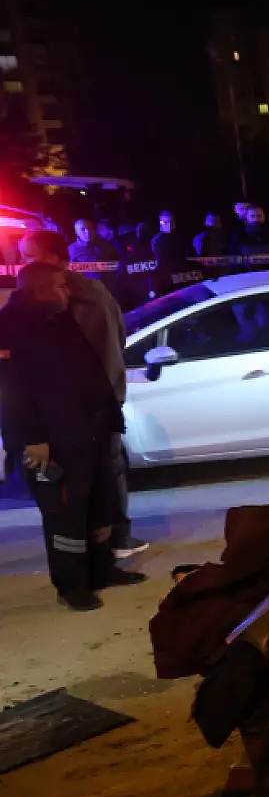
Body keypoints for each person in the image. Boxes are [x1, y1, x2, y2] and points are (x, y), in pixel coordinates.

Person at [0, 263, 147, 610]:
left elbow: (86, 370)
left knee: (101, 504)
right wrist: (34, 438)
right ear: (38, 290)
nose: (67, 293)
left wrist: (109, 415)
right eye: (59, 287)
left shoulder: (58, 317)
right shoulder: (9, 328)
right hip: (50, 440)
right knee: (65, 514)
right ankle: (72, 586)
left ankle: (101, 569)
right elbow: (10, 392)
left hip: (87, 429)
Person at [21, 230, 145, 558]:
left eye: (29, 255)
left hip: (91, 404)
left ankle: (112, 541)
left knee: (101, 471)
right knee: (102, 470)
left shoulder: (72, 297)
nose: (24, 263)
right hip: (95, 399)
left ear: (50, 258)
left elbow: (91, 354)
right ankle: (108, 541)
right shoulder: (81, 290)